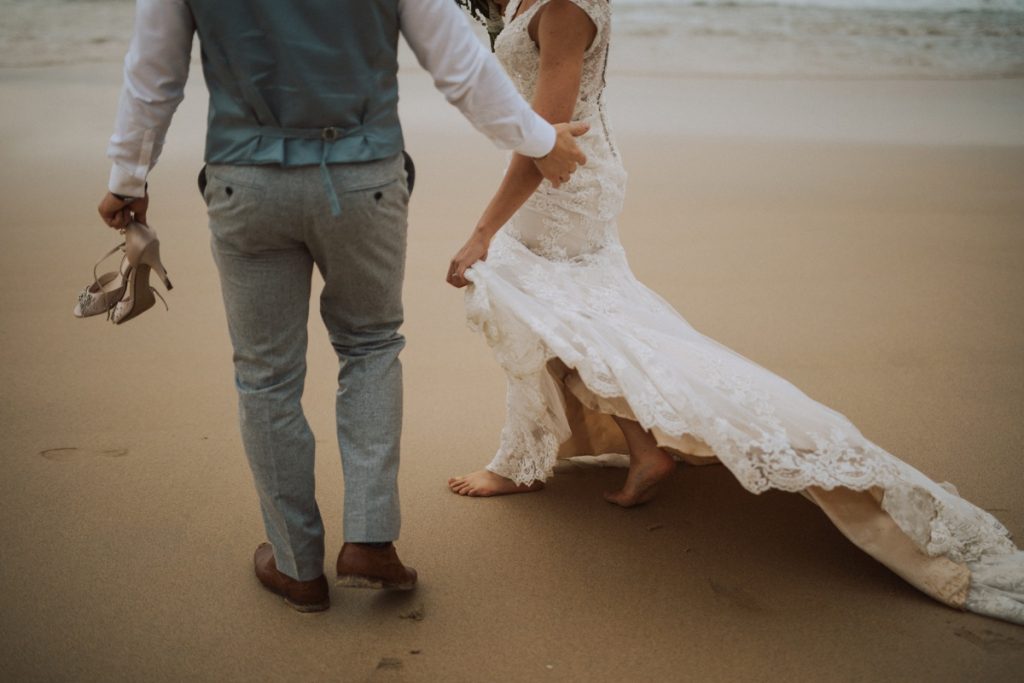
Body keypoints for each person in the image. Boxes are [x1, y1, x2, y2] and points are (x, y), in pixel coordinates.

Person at [445, 0, 1024, 625]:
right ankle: (631, 452)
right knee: (572, 320)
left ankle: (572, 458)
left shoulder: (561, 4)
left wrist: (481, 232)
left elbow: (546, 140)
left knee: (540, 302)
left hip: (565, 180)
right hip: (577, 174)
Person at [97, 0, 591, 613]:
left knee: (266, 375)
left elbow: (154, 74)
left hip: (245, 181)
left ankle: (296, 565)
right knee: (371, 348)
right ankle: (369, 541)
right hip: (364, 179)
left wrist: (128, 178)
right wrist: (540, 139)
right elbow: (459, 69)